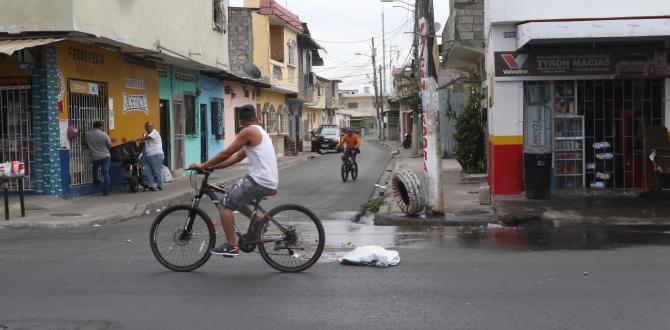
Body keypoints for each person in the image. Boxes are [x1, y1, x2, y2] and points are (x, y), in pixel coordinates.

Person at [189, 105, 278, 257]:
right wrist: (213, 167)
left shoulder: (249, 131)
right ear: (256, 117)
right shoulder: (260, 131)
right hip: (266, 180)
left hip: (259, 180)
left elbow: (226, 153)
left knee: (223, 204)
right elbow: (236, 157)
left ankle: (231, 245)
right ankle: (258, 221)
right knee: (233, 195)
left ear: (241, 121)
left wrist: (203, 165)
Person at [85, 121, 112, 196]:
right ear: (100, 126)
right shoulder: (104, 134)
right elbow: (110, 145)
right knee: (106, 173)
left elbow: (86, 144)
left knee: (95, 167)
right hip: (105, 156)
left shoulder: (88, 135)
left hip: (95, 157)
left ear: (93, 126)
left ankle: (96, 179)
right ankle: (106, 191)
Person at [136, 122, 164, 192]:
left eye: (150, 126)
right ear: (145, 127)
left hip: (156, 155)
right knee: (148, 171)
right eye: (147, 126)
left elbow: (147, 138)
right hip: (147, 155)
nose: (149, 127)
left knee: (157, 171)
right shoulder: (145, 134)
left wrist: (136, 139)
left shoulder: (155, 132)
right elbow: (142, 144)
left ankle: (159, 186)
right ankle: (150, 186)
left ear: (153, 127)